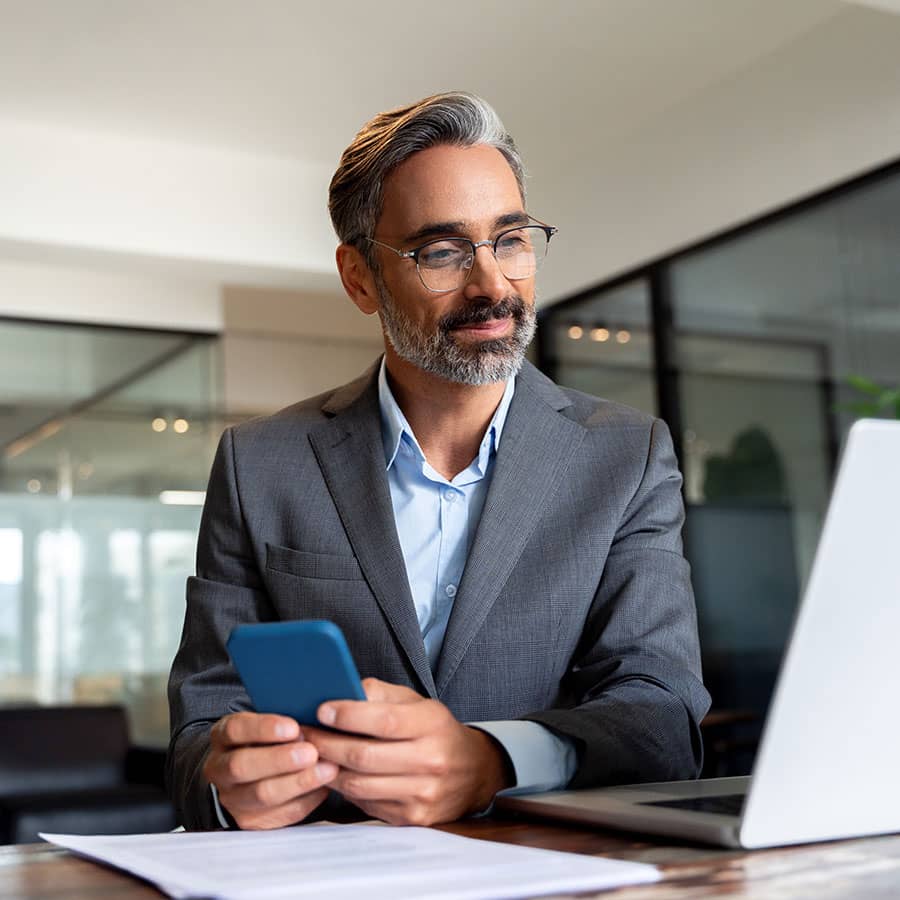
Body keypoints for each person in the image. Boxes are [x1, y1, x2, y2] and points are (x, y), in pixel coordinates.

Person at [167, 91, 710, 831]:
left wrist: (489, 760)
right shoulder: (260, 463)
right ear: (360, 278)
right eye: (443, 252)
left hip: (552, 871)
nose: (492, 286)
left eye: (511, 240)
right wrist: (229, 786)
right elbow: (200, 727)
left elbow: (661, 717)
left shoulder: (628, 455)